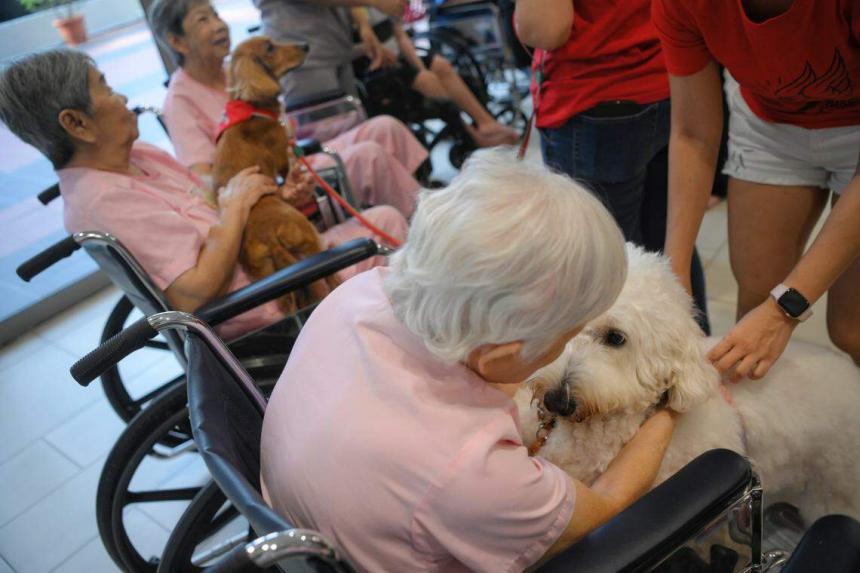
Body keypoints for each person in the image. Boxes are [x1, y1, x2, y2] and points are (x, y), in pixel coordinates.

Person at [260, 148, 677, 571]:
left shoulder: (358, 294)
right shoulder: (475, 471)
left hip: (295, 530)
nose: (563, 353)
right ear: (499, 356)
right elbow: (605, 508)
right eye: (566, 337)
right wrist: (666, 409)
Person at [0, 50, 407, 340]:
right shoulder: (104, 200)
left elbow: (211, 206)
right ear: (77, 123)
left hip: (264, 263)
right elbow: (190, 292)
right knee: (385, 225)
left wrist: (275, 196)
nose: (121, 98)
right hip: (259, 302)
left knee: (383, 214)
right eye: (105, 88)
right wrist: (234, 208)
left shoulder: (139, 155)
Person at [652, 0, 860, 376]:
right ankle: (759, 430)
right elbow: (694, 133)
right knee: (755, 306)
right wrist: (674, 271)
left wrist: (786, 308)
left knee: (851, 329)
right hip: (770, 122)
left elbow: (785, 307)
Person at [514, 0, 712, 334]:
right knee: (671, 249)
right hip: (673, 79)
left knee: (604, 266)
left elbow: (546, 28)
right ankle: (692, 363)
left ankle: (632, 380)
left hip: (595, 92)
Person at [149, 0, 428, 219]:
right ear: (178, 42)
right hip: (277, 185)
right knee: (369, 155)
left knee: (385, 126)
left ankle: (417, 208)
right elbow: (204, 176)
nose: (219, 25)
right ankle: (424, 227)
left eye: (215, 14)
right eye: (203, 20)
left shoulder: (231, 72)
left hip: (295, 154)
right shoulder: (180, 101)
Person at [351, 7, 520, 148]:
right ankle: (473, 136)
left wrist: (421, 68)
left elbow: (402, 38)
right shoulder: (357, 11)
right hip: (376, 70)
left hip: (398, 61)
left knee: (440, 64)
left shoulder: (385, 6)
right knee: (428, 81)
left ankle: (486, 123)